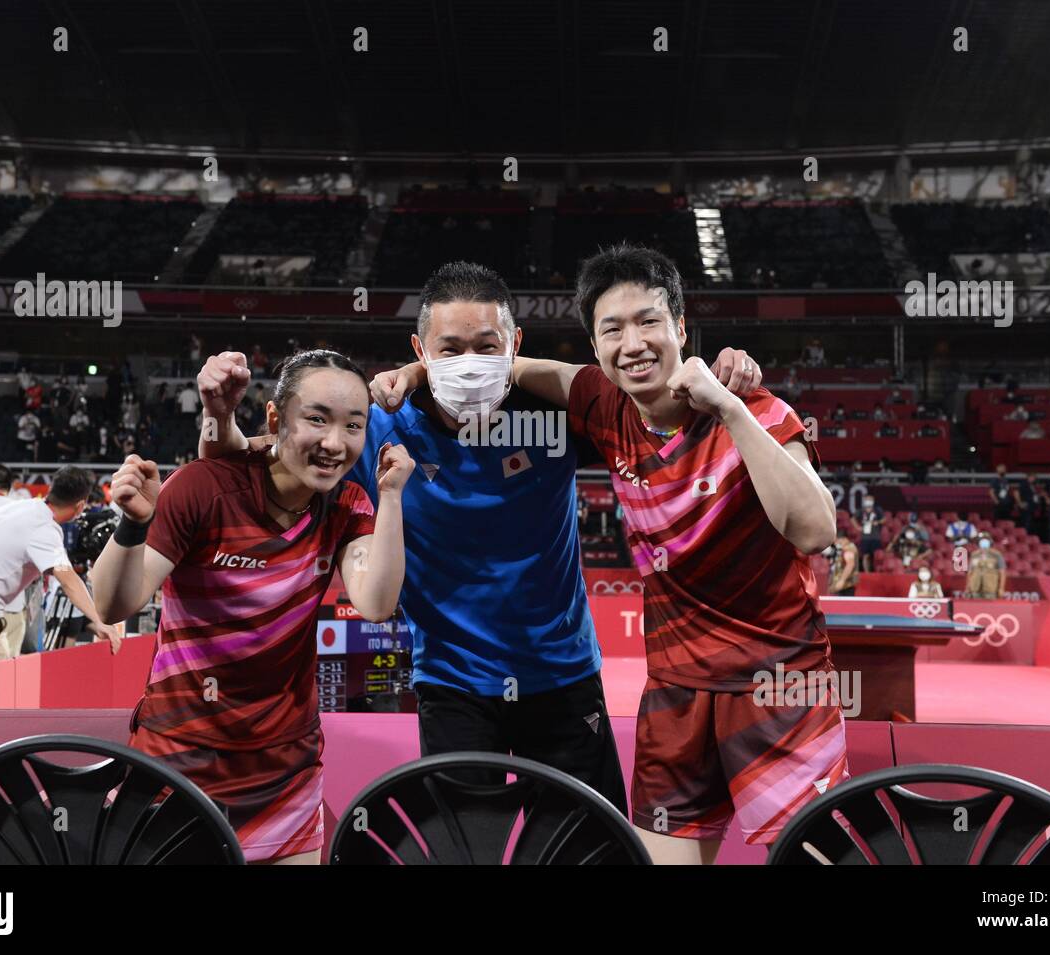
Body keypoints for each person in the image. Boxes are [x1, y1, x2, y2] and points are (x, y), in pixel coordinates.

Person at [207, 261, 763, 828]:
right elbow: (253, 462)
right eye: (449, 350)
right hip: (452, 684)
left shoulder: (556, 414)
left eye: (487, 346)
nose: (469, 364)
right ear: (419, 348)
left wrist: (731, 371)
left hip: (564, 676)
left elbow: (659, 406)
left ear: (514, 345)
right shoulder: (374, 426)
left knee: (587, 849)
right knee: (464, 849)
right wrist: (217, 416)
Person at [495, 243, 845, 863]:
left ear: (680, 328)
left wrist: (732, 410)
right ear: (597, 348)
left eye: (648, 321)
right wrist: (418, 374)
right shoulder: (604, 404)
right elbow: (520, 367)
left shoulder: (760, 410)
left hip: (779, 685)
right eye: (612, 329)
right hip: (675, 693)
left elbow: (816, 531)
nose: (633, 343)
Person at [92, 350, 412, 865]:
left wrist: (392, 496)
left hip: (286, 767)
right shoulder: (203, 487)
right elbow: (113, 603)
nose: (335, 443)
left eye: (354, 425)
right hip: (179, 755)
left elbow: (375, 603)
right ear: (274, 419)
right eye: (317, 419)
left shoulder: (349, 504)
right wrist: (132, 526)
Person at [0, 467, 119, 670]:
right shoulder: (44, 529)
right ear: (80, 505)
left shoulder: (20, 506)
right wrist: (99, 621)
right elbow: (69, 580)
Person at [964, 534, 1006, 599]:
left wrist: (1001, 588)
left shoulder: (997, 555)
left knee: (990, 608)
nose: (984, 541)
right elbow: (970, 572)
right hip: (975, 588)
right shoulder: (974, 555)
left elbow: (1002, 573)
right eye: (981, 539)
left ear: (990, 542)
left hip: (990, 588)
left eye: (986, 539)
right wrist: (967, 587)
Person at [857, 496, 884, 572]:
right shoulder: (861, 510)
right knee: (866, 555)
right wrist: (858, 527)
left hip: (875, 537)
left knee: (876, 556)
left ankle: (876, 571)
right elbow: (853, 519)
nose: (868, 501)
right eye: (867, 500)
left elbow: (884, 519)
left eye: (870, 500)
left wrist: (878, 522)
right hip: (865, 537)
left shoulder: (877, 510)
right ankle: (867, 572)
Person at [828, 532, 859, 596]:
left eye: (837, 541)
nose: (835, 543)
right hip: (840, 585)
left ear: (844, 539)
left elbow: (850, 564)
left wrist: (842, 581)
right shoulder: (841, 549)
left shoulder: (849, 548)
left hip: (846, 585)